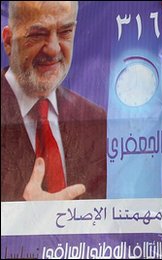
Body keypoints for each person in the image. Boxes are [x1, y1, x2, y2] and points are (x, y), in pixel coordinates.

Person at [1, 1, 107, 201]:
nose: (53, 49)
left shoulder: (96, 119)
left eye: (65, 32)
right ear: (8, 41)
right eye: (37, 34)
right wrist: (21, 218)